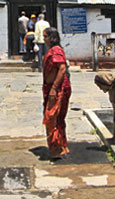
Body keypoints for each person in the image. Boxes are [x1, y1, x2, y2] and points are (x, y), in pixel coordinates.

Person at [41, 27, 71, 159]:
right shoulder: (54, 50)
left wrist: (54, 88)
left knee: (52, 118)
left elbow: (62, 68)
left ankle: (57, 148)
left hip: (57, 88)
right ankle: (62, 146)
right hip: (51, 87)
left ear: (51, 38)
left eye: (45, 36)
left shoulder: (56, 51)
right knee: (57, 118)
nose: (44, 39)